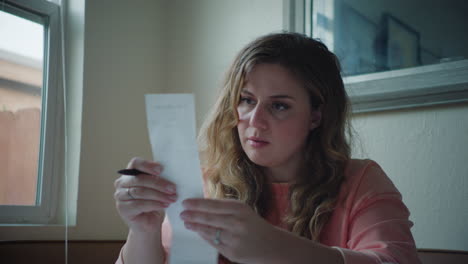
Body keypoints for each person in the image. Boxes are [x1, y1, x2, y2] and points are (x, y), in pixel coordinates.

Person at [114, 32, 421, 264]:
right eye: (247, 100)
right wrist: (143, 230)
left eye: (279, 105)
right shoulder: (207, 184)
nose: (254, 121)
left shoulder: (359, 181)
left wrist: (276, 246)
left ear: (316, 115)